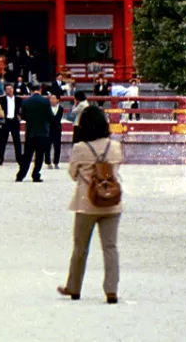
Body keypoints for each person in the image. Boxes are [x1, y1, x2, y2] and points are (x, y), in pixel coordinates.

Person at [57, 105, 123, 304]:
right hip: (112, 202)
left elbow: (72, 173)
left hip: (86, 203)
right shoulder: (115, 147)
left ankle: (74, 287)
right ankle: (111, 290)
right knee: (110, 247)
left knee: (80, 247)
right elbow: (117, 167)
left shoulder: (80, 148)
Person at [16, 85, 51, 182]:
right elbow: (50, 116)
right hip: (42, 131)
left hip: (30, 131)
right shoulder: (45, 101)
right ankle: (36, 175)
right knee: (39, 155)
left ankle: (21, 175)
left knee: (27, 155)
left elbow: (23, 116)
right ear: (40, 89)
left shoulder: (26, 101)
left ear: (31, 91)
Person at [0, 84, 22, 168]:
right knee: (2, 141)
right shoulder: (1, 99)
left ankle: (19, 159)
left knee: (17, 141)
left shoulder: (18, 99)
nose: (10, 90)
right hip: (5, 121)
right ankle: (0, 159)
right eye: (8, 89)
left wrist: (20, 115)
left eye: (11, 88)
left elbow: (22, 109)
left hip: (14, 121)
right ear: (5, 91)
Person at [46, 93, 65, 169]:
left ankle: (56, 162)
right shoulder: (47, 108)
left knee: (57, 146)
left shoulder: (61, 108)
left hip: (57, 129)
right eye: (51, 98)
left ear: (57, 100)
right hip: (48, 129)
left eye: (54, 98)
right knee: (47, 146)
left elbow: (58, 118)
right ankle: (48, 162)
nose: (52, 100)